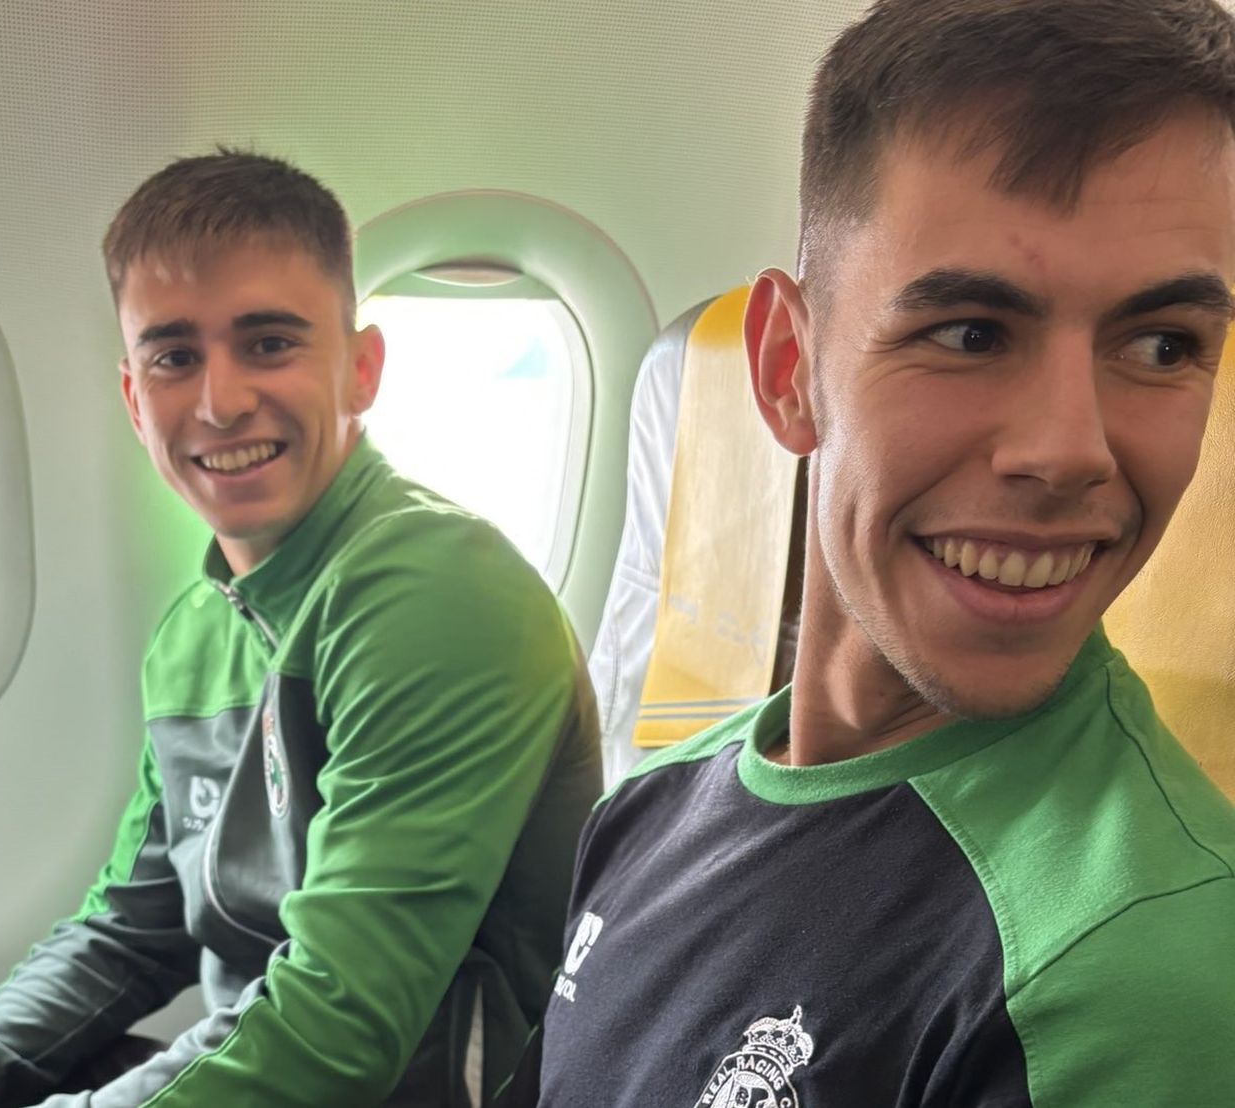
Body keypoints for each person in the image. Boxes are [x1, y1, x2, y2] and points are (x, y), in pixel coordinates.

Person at [521, 1, 1235, 1104]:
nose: (1069, 453)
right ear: (787, 371)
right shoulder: (652, 804)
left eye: (1160, 345)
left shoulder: (1125, 972)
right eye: (969, 333)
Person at [0, 152, 602, 1108]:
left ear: (362, 368)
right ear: (135, 398)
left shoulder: (441, 592)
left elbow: (343, 1030)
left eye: (269, 344)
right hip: (259, 1059)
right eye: (174, 356)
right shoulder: (195, 633)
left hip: (393, 1089)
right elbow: (132, 927)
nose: (220, 402)